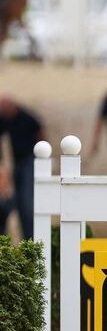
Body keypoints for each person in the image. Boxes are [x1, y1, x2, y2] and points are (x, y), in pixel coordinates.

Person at [0, 95, 45, 239]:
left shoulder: (27, 117)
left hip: (28, 161)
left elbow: (41, 133)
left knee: (25, 203)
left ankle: (29, 238)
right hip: (12, 163)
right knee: (13, 203)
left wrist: (44, 157)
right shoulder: (4, 120)